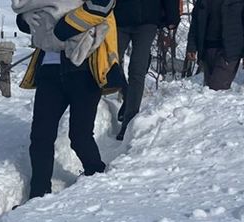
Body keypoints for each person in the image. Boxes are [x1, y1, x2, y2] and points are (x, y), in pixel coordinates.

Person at [17, 1, 126, 200]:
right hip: (49, 69)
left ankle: (97, 178)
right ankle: (38, 195)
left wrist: (61, 29)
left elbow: (103, 5)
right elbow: (29, 13)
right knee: (41, 135)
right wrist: (25, 19)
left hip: (85, 69)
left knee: (80, 136)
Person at [113, 0, 181, 140]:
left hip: (148, 20)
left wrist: (172, 17)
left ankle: (128, 122)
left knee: (137, 71)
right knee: (111, 64)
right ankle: (127, 94)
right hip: (119, 18)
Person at [185, 0, 244, 90]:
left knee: (216, 89)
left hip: (229, 51)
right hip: (207, 49)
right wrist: (191, 47)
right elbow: (196, 23)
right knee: (208, 91)